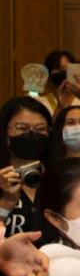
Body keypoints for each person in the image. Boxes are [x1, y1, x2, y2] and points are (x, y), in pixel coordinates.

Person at [0, 97, 52, 238]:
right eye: (22, 128)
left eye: (40, 129)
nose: (32, 134)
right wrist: (7, 202)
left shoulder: (58, 178)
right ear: (4, 131)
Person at [37, 50, 80, 116]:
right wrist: (60, 107)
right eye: (59, 69)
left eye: (69, 69)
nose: (65, 73)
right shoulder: (40, 104)